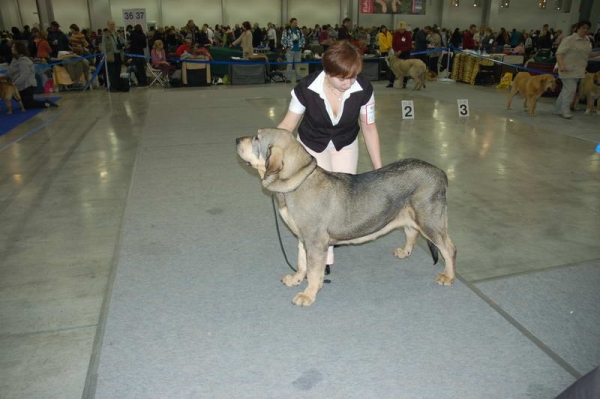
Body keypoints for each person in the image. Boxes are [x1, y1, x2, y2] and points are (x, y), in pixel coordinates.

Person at [276, 41, 382, 274]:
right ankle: (321, 258)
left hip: (345, 142)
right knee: (316, 203)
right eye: (341, 79)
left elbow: (370, 127)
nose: (348, 83)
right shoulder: (305, 89)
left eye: (353, 77)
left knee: (342, 199)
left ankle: (326, 243)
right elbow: (287, 125)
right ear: (327, 71)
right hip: (312, 144)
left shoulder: (364, 89)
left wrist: (379, 170)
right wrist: (272, 150)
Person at [554, 20, 600, 119]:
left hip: (580, 70)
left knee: (566, 90)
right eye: (583, 28)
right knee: (571, 89)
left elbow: (588, 54)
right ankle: (565, 110)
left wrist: (597, 53)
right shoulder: (569, 40)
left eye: (587, 28)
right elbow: (559, 53)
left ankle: (558, 109)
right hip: (567, 69)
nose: (585, 30)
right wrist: (561, 65)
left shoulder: (587, 40)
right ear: (577, 28)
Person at [3, 41, 57, 109]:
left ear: (18, 49)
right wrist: (4, 75)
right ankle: (26, 103)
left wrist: (13, 84)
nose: (11, 48)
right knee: (23, 102)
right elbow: (11, 71)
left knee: (28, 104)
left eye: (13, 47)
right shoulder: (15, 59)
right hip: (19, 85)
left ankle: (46, 103)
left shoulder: (24, 60)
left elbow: (25, 74)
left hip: (27, 85)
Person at [102, 19, 125, 91]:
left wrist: (123, 45)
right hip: (110, 55)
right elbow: (103, 45)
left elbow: (123, 42)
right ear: (108, 25)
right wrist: (104, 54)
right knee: (112, 72)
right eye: (110, 24)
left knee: (118, 71)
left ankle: (118, 86)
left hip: (118, 54)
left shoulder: (118, 34)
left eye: (113, 24)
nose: (112, 26)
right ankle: (113, 87)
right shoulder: (105, 34)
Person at [387, 21, 412, 88]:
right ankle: (391, 82)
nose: (401, 31)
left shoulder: (407, 34)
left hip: (405, 53)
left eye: (403, 29)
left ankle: (404, 83)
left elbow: (409, 45)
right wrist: (395, 51)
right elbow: (393, 44)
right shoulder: (396, 34)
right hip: (397, 53)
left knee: (405, 68)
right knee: (393, 67)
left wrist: (401, 51)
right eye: (400, 29)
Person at [281, 18, 305, 82]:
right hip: (290, 50)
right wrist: (286, 47)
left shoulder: (299, 30)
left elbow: (303, 39)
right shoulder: (286, 31)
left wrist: (302, 46)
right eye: (294, 23)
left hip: (298, 50)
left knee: (298, 64)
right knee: (289, 65)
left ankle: (298, 78)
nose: (296, 24)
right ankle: (288, 78)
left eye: (296, 23)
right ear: (291, 23)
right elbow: (283, 40)